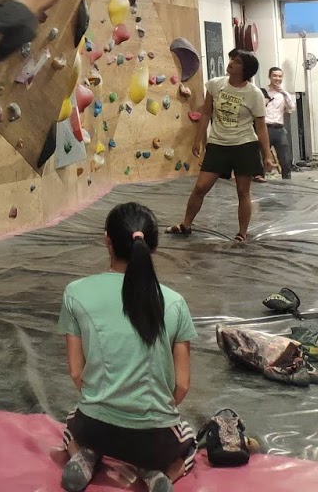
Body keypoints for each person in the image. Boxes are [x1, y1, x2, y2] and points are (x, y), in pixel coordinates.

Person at [57, 202, 197, 492]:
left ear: (107, 240)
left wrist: (108, 402)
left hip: (95, 428)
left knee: (72, 426)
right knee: (189, 440)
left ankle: (83, 456)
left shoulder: (75, 292)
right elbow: (181, 386)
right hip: (154, 440)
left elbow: (75, 373)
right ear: (152, 245)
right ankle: (161, 474)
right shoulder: (174, 302)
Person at [168, 50, 276, 242]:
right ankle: (186, 225)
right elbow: (207, 113)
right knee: (200, 187)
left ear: (246, 69)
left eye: (237, 61)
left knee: (243, 191)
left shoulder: (254, 94)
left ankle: (242, 233)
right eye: (232, 59)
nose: (231, 63)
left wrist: (267, 154)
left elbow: (260, 126)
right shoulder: (215, 84)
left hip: (244, 145)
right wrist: (198, 140)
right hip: (218, 144)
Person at [263, 65, 296, 180]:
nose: (277, 78)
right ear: (270, 77)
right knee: (262, 158)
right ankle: (259, 181)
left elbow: (291, 108)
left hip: (279, 129)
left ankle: (287, 182)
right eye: (275, 76)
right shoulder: (262, 92)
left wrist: (284, 93)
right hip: (265, 128)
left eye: (280, 76)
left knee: (285, 159)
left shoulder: (284, 94)